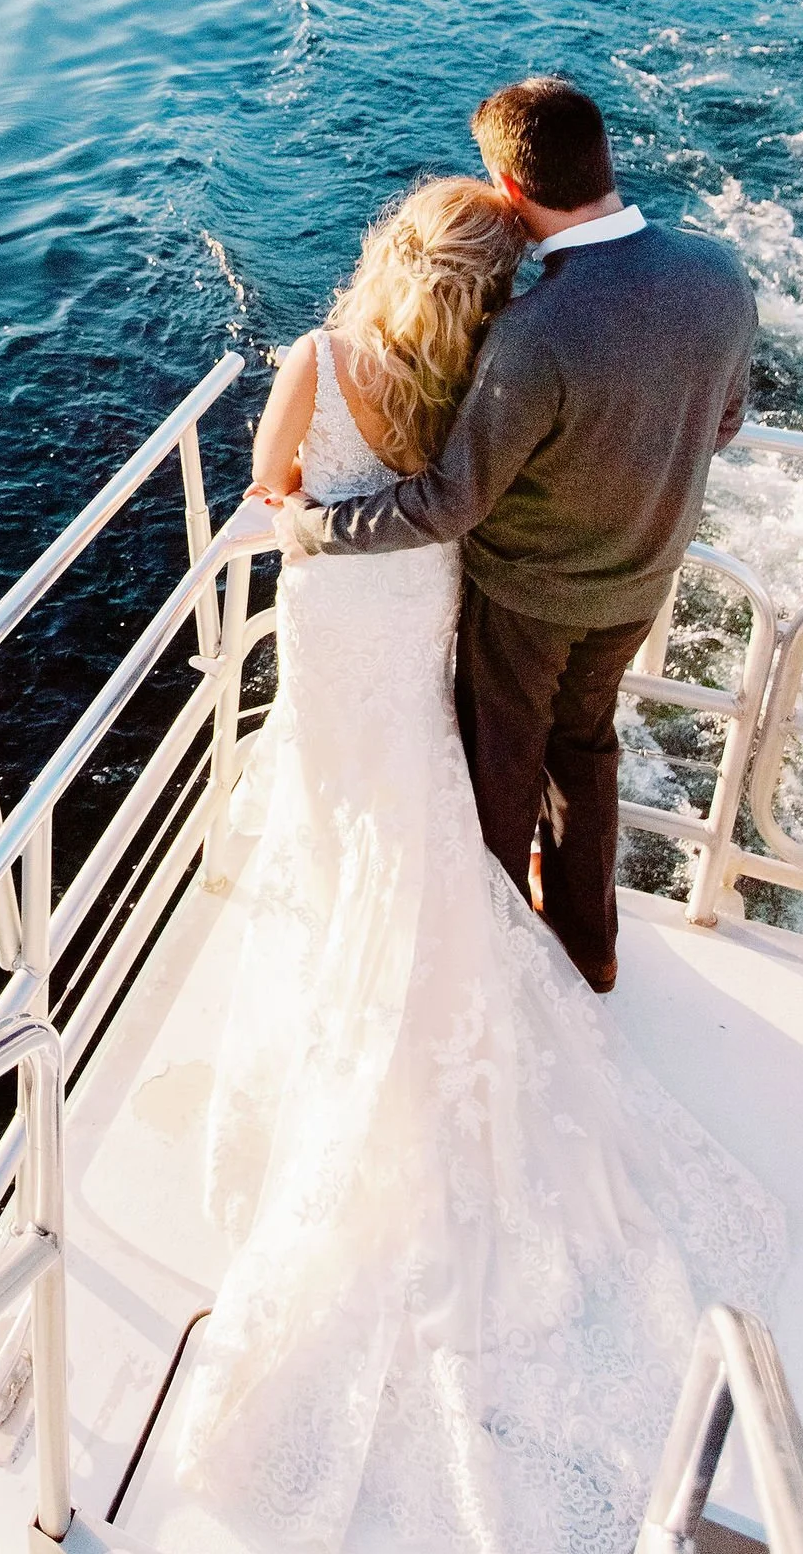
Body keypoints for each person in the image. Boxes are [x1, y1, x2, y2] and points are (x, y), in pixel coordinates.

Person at [175, 152, 782, 1554]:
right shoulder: (492, 362)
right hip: (442, 610)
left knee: (352, 799)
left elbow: (272, 490)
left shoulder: (321, 359)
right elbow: (475, 494)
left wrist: (304, 513)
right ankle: (557, 940)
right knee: (442, 793)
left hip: (343, 621)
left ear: (393, 254)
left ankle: (360, 969)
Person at [278, 75, 757, 993]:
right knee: (587, 748)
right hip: (640, 585)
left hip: (527, 599)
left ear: (507, 188)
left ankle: (493, 971)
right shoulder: (719, 273)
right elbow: (723, 421)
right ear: (603, 158)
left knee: (500, 770)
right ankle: (591, 947)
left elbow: (446, 505)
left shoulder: (534, 332)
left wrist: (315, 526)